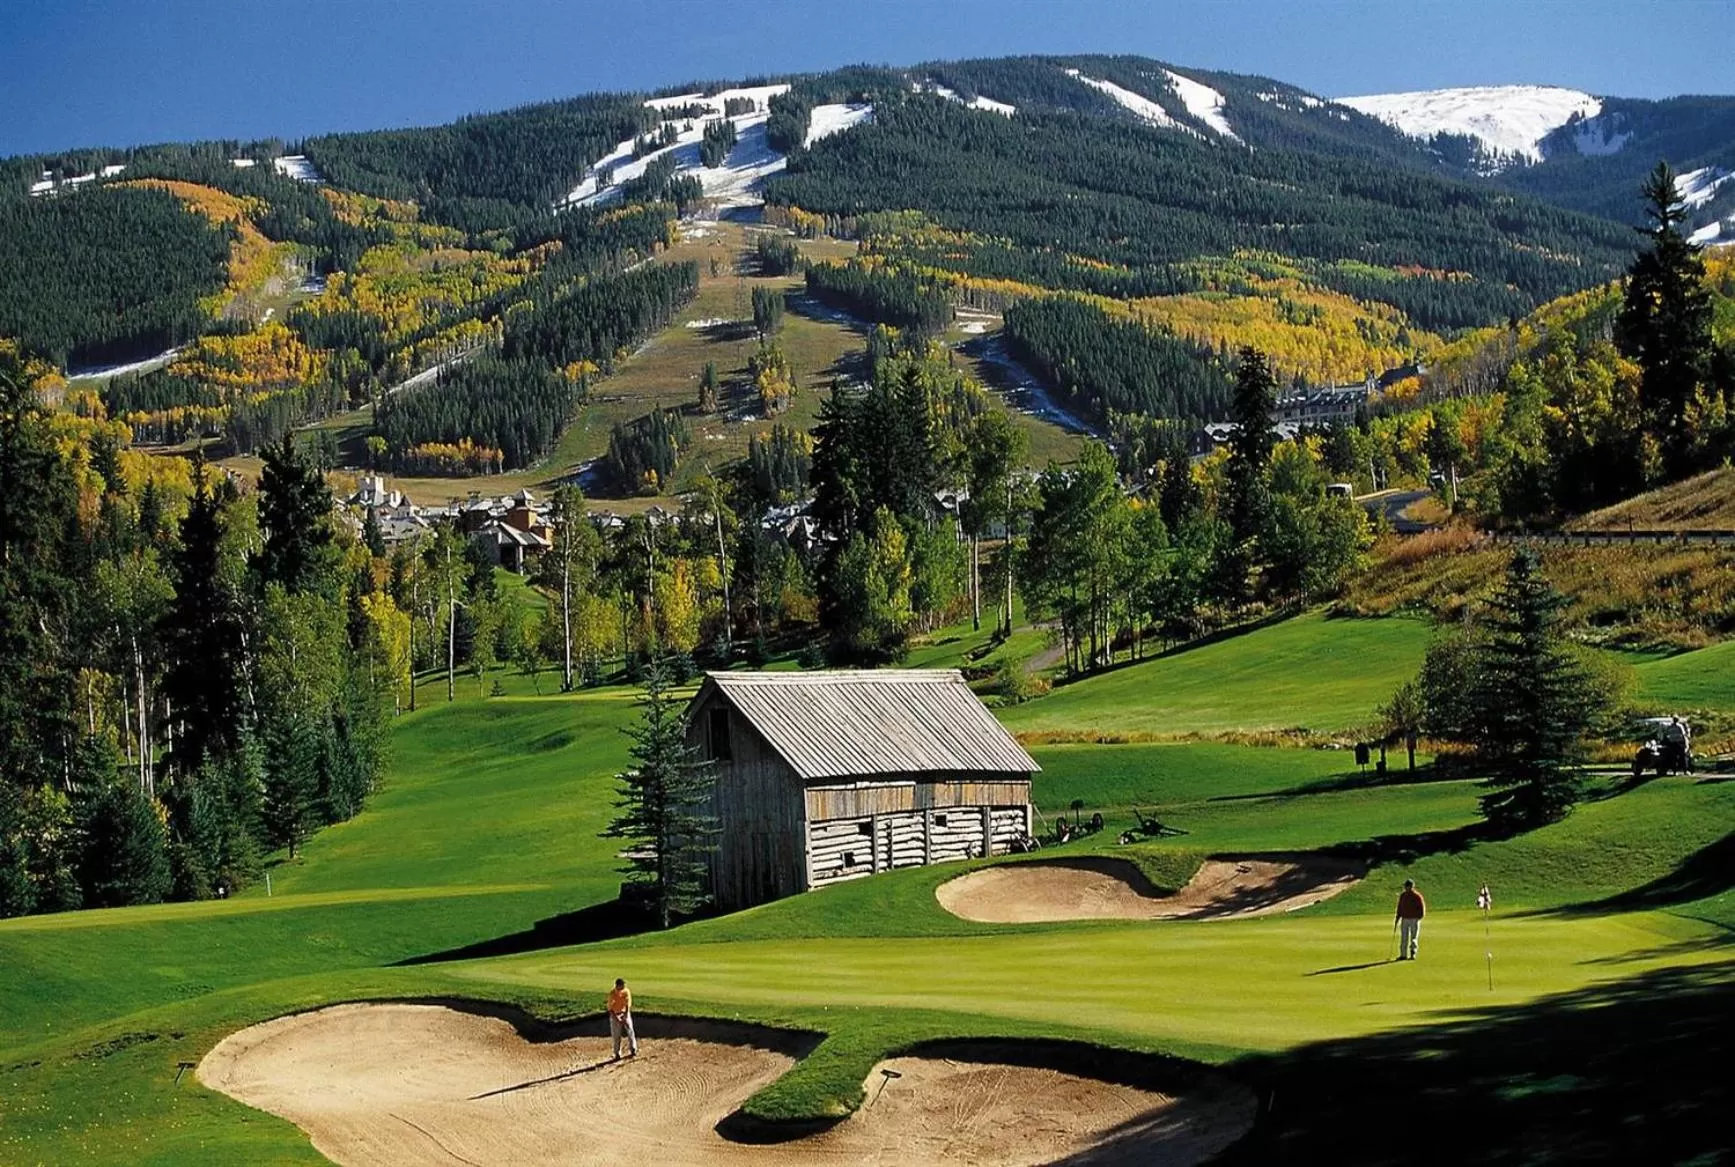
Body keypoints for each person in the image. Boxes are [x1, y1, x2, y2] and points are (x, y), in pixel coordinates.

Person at [1394, 879, 1425, 960]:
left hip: (1414, 919)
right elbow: (1399, 907)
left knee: (1413, 937)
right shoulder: (1403, 895)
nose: (1406, 888)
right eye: (1406, 886)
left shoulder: (1417, 896)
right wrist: (1397, 917)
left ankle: (1412, 953)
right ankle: (1403, 954)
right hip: (1405, 919)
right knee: (1404, 937)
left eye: (1407, 886)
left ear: (1412, 887)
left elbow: (1421, 908)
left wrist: (1419, 917)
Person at [607, 978, 638, 1059]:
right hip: (615, 1015)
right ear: (618, 985)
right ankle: (617, 1053)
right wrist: (617, 1018)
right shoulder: (612, 994)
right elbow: (610, 1009)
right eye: (622, 985)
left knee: (630, 1031)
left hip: (625, 1013)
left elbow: (627, 1004)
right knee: (616, 1035)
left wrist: (625, 1015)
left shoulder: (626, 991)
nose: (624, 986)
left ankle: (633, 1049)